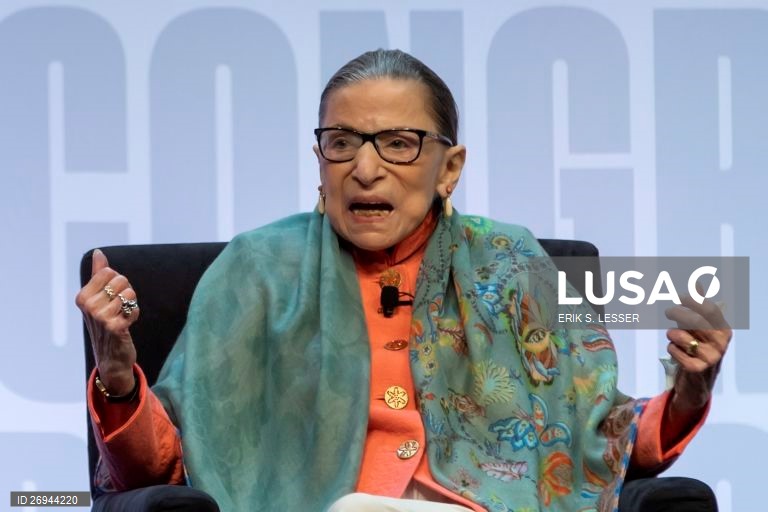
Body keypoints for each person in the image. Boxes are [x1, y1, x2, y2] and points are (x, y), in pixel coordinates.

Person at [76, 49, 730, 512]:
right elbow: (160, 472)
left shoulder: (515, 264)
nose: (364, 168)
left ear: (449, 168)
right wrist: (117, 375)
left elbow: (597, 441)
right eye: (342, 142)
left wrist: (690, 389)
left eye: (398, 143)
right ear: (319, 159)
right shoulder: (255, 273)